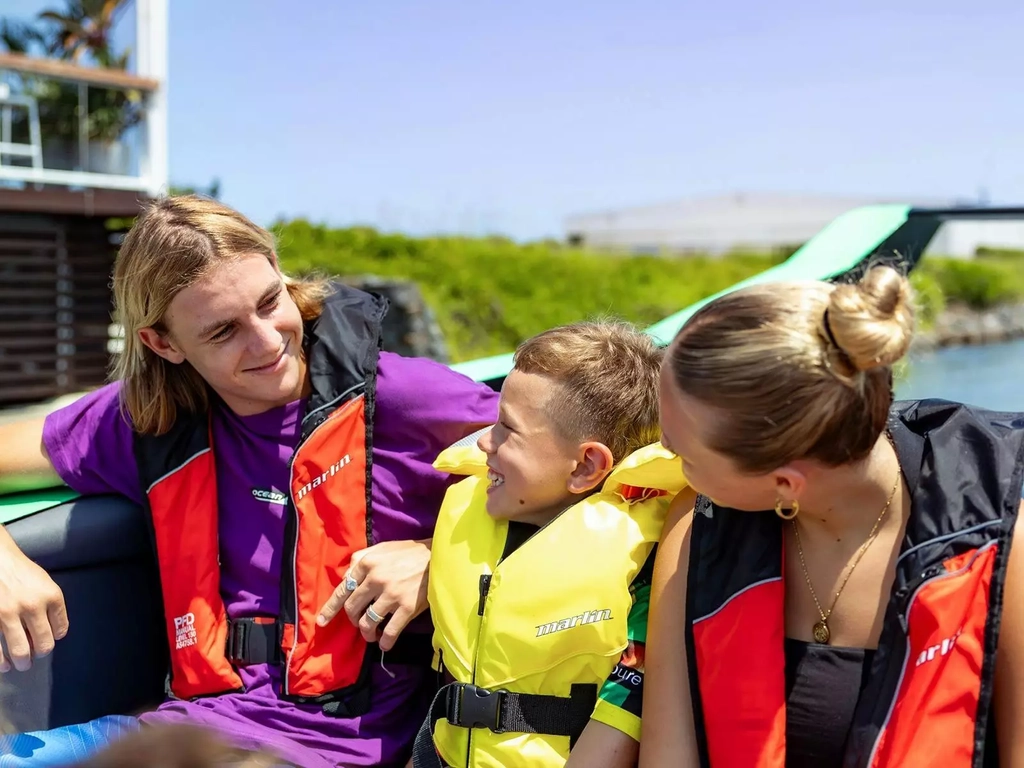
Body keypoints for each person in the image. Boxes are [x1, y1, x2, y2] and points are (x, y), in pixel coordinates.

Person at [0, 195, 499, 768]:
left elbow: (588, 472)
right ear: (163, 343)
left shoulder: (408, 399)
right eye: (223, 331)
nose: (267, 341)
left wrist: (438, 559)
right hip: (183, 730)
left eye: (270, 302)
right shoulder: (145, 422)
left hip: (334, 751)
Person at [641, 264, 1024, 767]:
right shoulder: (696, 529)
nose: (670, 463)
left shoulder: (1003, 535)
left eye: (686, 456)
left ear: (784, 484)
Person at [408, 322, 689, 768]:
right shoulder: (470, 508)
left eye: (506, 429)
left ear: (585, 466)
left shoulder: (649, 554)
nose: (484, 441)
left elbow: (628, 699)